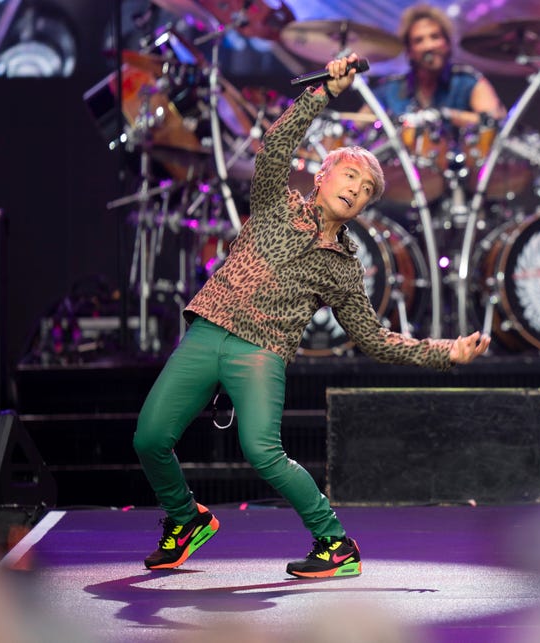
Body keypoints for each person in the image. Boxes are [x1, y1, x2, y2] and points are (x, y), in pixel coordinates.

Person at [132, 52, 492, 579]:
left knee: (262, 451)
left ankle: (336, 543)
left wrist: (445, 352)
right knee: (148, 439)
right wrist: (323, 92)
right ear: (322, 176)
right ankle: (186, 519)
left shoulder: (343, 268)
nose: (355, 189)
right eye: (349, 175)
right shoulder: (275, 205)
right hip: (208, 331)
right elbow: (276, 145)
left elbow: (374, 339)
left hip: (261, 353)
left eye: (366, 191)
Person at [358, 4, 507, 205]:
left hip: (459, 184)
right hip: (397, 187)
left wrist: (445, 115)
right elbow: (355, 126)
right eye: (419, 40)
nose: (429, 46)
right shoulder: (390, 88)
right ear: (409, 51)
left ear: (447, 43)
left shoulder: (468, 81)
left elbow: (495, 121)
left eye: (435, 37)